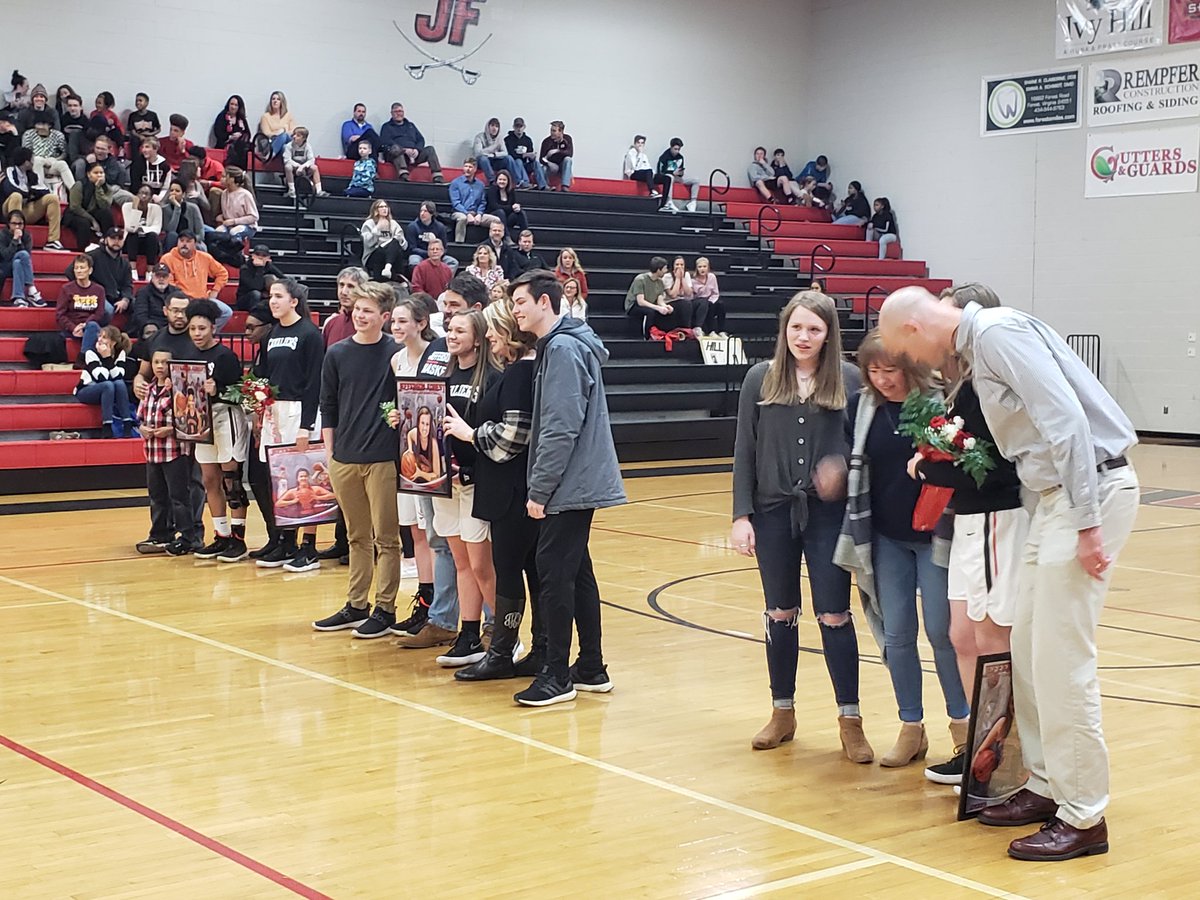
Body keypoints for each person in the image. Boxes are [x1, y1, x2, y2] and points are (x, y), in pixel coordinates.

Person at [878, 286, 1140, 862]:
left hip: (1086, 493)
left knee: (1062, 661)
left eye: (907, 351)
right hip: (1053, 500)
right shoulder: (983, 345)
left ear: (915, 329)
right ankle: (1045, 785)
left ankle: (1084, 815)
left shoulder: (997, 334)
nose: (916, 362)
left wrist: (1088, 522)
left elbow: (1066, 421)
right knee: (1028, 653)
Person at [731, 291, 870, 758]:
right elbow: (744, 450)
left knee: (834, 614)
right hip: (772, 513)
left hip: (828, 517)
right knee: (780, 612)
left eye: (814, 329)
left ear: (828, 334)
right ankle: (782, 712)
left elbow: (865, 448)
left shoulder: (849, 380)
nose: (803, 337)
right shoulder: (760, 378)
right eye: (796, 327)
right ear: (784, 330)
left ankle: (850, 719)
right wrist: (741, 515)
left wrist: (843, 473)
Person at [835, 329, 969, 767]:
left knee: (942, 632)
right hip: (885, 536)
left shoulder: (941, 403)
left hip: (936, 538)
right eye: (873, 371)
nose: (881, 379)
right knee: (896, 634)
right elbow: (853, 462)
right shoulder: (861, 407)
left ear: (910, 367)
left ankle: (963, 725)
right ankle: (911, 727)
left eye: (889, 370)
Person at [918, 284, 1026, 787]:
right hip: (967, 521)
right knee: (961, 635)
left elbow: (994, 468)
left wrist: (927, 469)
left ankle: (1006, 760)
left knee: (993, 638)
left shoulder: (990, 383)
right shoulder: (956, 385)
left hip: (996, 517)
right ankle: (978, 747)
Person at [509, 269, 625, 705]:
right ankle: (591, 667)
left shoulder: (561, 348)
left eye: (521, 302)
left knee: (554, 573)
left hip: (569, 483)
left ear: (545, 302)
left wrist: (539, 490)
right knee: (576, 571)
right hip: (576, 480)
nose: (515, 310)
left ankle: (556, 676)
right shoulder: (564, 344)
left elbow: (560, 428)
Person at [444, 300, 544, 679]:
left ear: (509, 332)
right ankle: (537, 649)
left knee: (510, 570)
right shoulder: (516, 371)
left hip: (511, 490)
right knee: (528, 571)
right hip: (509, 488)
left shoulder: (519, 374)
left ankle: (502, 651)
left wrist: (470, 434)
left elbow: (512, 439)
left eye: (493, 330)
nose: (488, 336)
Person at [310, 281, 406, 635]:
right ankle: (356, 604)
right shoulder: (337, 353)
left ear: (385, 316)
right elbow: (328, 404)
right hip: (344, 458)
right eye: (358, 309)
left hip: (382, 458)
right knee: (356, 536)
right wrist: (331, 453)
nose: (361, 315)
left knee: (387, 538)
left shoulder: (397, 353)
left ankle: (385, 609)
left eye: (369, 310)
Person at [427, 308, 501, 667]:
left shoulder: (493, 378)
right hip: (446, 482)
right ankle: (469, 634)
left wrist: (469, 466)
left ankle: (504, 634)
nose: (452, 336)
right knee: (461, 563)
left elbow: (493, 434)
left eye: (460, 331)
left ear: (478, 337)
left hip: (475, 481)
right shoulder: (443, 374)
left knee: (482, 565)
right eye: (449, 330)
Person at [255, 279, 326, 572]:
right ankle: (286, 541)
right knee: (278, 477)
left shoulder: (310, 334)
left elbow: (315, 382)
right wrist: (257, 402)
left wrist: (306, 425)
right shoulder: (270, 334)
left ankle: (309, 547)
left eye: (278, 296)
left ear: (294, 301)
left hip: (300, 410)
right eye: (271, 296)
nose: (273, 301)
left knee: (304, 474)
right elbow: (262, 376)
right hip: (275, 411)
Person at [384, 296, 445, 640]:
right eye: (393, 321)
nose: (396, 327)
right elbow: (395, 404)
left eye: (402, 321)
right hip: (406, 452)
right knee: (414, 531)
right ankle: (424, 602)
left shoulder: (437, 357)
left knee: (433, 532)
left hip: (431, 455)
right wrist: (392, 415)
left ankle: (439, 608)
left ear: (421, 324)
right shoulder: (396, 359)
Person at [185, 299, 252, 563]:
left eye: (201, 328)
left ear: (213, 328)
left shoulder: (225, 356)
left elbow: (241, 393)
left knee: (231, 480)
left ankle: (238, 539)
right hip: (202, 421)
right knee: (209, 480)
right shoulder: (189, 357)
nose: (197, 333)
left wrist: (219, 391)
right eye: (193, 328)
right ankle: (221, 535)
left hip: (227, 417)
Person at [136, 347, 201, 555]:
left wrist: (171, 430)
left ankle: (188, 536)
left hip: (174, 451)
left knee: (179, 496)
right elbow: (140, 418)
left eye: (165, 363)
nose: (160, 366)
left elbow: (189, 421)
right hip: (152, 451)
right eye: (156, 362)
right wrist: (143, 429)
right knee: (157, 496)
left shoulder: (179, 390)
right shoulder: (148, 390)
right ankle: (160, 534)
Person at [160, 232, 233, 331]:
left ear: (195, 244)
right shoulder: (167, 258)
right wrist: (184, 298)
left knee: (226, 312)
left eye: (188, 241)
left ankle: (208, 334)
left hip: (203, 299)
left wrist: (215, 290)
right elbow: (169, 283)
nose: (184, 244)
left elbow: (222, 273)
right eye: (181, 241)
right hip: (182, 300)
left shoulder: (205, 257)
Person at [74, 325, 136, 438]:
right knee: (108, 385)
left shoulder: (120, 353)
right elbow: (101, 377)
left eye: (104, 337)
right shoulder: (91, 352)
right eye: (100, 336)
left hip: (110, 390)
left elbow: (119, 375)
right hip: (87, 389)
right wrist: (106, 357)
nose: (99, 340)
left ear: (113, 342)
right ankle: (107, 426)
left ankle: (127, 423)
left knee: (119, 383)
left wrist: (107, 358)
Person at [2, 148, 64, 250]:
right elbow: (10, 188)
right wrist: (30, 194)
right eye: (31, 159)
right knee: (16, 196)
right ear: (26, 161)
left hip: (27, 209)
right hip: (10, 208)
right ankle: (15, 236)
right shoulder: (10, 171)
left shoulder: (32, 175)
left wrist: (31, 194)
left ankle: (53, 241)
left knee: (52, 198)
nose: (33, 162)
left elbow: (45, 190)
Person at [70, 227, 133, 324]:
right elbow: (70, 271)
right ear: (105, 240)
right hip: (96, 295)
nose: (116, 241)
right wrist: (85, 288)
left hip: (117, 296)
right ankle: (100, 331)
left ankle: (129, 331)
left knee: (137, 306)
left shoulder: (125, 263)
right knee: (107, 310)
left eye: (120, 238)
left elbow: (128, 285)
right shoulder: (92, 256)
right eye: (113, 238)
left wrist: (125, 300)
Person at [56, 254, 109, 358]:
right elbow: (60, 314)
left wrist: (85, 325)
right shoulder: (66, 289)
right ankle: (87, 359)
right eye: (76, 268)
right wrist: (73, 328)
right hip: (72, 328)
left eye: (82, 267)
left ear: (90, 270)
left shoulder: (99, 290)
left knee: (93, 326)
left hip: (91, 327)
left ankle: (82, 358)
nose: (79, 271)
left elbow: (99, 313)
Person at [378, 102, 443, 183]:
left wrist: (417, 149)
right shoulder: (386, 126)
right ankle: (403, 174)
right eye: (396, 111)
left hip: (413, 155)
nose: (398, 113)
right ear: (391, 113)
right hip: (397, 154)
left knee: (430, 149)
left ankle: (437, 176)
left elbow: (421, 139)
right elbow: (385, 141)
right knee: (396, 148)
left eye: (400, 111)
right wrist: (404, 150)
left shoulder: (411, 125)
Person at [64, 161, 116, 251]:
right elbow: (75, 207)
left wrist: (98, 188)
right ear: (88, 174)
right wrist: (92, 220)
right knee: (84, 223)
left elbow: (104, 205)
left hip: (94, 212)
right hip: (76, 214)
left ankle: (109, 243)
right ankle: (83, 251)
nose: (99, 175)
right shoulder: (79, 185)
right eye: (96, 173)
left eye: (101, 173)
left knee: (106, 213)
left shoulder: (107, 188)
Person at [449, 158, 501, 243]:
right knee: (462, 218)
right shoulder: (455, 183)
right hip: (460, 212)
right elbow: (456, 203)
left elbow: (482, 202)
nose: (467, 169)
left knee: (496, 220)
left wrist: (479, 214)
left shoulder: (480, 185)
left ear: (475, 169)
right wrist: (467, 214)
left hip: (476, 213)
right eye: (466, 166)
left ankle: (492, 243)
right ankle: (459, 243)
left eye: (470, 167)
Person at [20, 110, 75, 190]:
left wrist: (54, 160)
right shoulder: (28, 134)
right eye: (38, 124)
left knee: (62, 164)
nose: (40, 127)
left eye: (42, 124)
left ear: (49, 125)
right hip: (34, 164)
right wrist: (42, 161)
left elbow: (64, 153)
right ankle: (39, 187)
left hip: (52, 162)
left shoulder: (58, 135)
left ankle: (74, 190)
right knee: (38, 160)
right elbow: (26, 153)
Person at [130, 263, 186, 339]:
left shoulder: (176, 292)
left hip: (172, 327)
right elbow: (141, 316)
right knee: (150, 330)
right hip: (151, 329)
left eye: (164, 276)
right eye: (158, 276)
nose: (161, 279)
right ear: (152, 276)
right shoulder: (143, 292)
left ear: (169, 277)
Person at [0, 209, 43, 306]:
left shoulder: (26, 236)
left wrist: (20, 241)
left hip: (19, 266)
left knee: (18, 263)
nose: (17, 227)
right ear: (8, 224)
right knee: (23, 254)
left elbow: (27, 258)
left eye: (20, 224)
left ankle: (18, 297)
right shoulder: (2, 235)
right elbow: (6, 256)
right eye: (14, 223)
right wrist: (15, 240)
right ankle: (31, 288)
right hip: (4, 266)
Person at [322, 266, 369, 350]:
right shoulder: (331, 323)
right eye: (341, 285)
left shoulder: (369, 323)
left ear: (362, 289)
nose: (344, 292)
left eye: (350, 286)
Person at [472, 117, 528, 187]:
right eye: (492, 126)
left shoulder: (500, 138)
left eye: (496, 126)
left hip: (495, 160)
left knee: (509, 158)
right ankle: (492, 181)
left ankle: (518, 182)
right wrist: (493, 148)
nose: (494, 128)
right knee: (483, 159)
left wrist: (494, 155)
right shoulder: (479, 137)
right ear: (488, 127)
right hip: (482, 162)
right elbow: (478, 153)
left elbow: (505, 153)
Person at [75, 134, 132, 203]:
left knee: (130, 197)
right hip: (89, 190)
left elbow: (110, 179)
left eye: (102, 149)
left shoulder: (112, 162)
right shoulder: (87, 159)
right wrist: (90, 163)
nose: (99, 151)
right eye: (97, 148)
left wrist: (94, 166)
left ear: (109, 150)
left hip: (107, 189)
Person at [360, 199, 407, 282]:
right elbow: (368, 244)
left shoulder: (393, 224)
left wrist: (400, 240)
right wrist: (377, 228)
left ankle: (388, 268)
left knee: (395, 244)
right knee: (389, 249)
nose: (384, 209)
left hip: (390, 254)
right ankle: (398, 278)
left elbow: (404, 246)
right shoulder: (369, 223)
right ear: (375, 210)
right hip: (373, 254)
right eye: (381, 207)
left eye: (386, 206)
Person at [624, 256, 671, 337]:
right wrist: (657, 308)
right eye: (664, 269)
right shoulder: (640, 279)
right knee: (650, 312)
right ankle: (646, 335)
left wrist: (665, 306)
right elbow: (640, 301)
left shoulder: (660, 282)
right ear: (658, 270)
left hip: (650, 303)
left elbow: (659, 300)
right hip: (634, 305)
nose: (666, 271)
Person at [406, 201, 458, 271]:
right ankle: (419, 278)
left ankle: (444, 278)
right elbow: (412, 248)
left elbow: (444, 248)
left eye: (425, 211)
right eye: (421, 211)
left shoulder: (440, 227)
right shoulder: (412, 227)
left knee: (453, 262)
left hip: (436, 254)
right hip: (420, 255)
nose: (422, 213)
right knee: (414, 261)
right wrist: (428, 253)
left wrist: (436, 254)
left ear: (432, 213)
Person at [212, 167, 259, 242]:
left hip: (247, 226)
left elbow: (254, 217)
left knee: (234, 232)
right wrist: (221, 217)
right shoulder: (224, 193)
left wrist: (234, 221)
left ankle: (238, 248)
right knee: (218, 233)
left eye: (224, 177)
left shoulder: (245, 195)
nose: (221, 179)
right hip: (229, 225)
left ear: (232, 179)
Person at [661, 255, 705, 331]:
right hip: (671, 302)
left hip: (685, 301)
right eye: (677, 265)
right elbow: (673, 295)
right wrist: (678, 279)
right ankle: (686, 329)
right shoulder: (667, 277)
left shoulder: (686, 275)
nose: (680, 267)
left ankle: (697, 328)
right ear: (673, 266)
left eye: (682, 265)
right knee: (685, 304)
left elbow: (689, 293)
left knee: (703, 302)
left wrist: (683, 278)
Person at [656, 138, 699, 213]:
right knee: (670, 177)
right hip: (668, 177)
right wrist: (672, 173)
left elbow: (680, 169)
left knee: (696, 180)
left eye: (679, 149)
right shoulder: (664, 157)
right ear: (671, 147)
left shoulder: (680, 157)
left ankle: (693, 202)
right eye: (675, 149)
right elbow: (660, 172)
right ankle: (669, 201)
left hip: (677, 177)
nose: (677, 151)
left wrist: (680, 173)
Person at [237, 244, 285, 312]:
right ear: (253, 256)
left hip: (262, 297)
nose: (260, 257)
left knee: (271, 279)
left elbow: (283, 278)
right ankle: (255, 314)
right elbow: (256, 287)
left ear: (268, 258)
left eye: (264, 255)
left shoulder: (268, 266)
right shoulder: (245, 268)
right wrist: (260, 268)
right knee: (256, 294)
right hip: (246, 299)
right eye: (257, 254)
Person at [282, 127, 327, 198]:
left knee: (314, 167)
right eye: (294, 134)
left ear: (304, 138)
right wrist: (297, 166)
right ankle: (291, 190)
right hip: (294, 168)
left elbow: (311, 160)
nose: (294, 137)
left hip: (304, 168)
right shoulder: (289, 146)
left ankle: (319, 191)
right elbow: (287, 159)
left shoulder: (308, 147)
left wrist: (303, 166)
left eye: (298, 135)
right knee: (288, 167)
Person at [160, 181, 205, 252]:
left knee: (198, 247)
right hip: (173, 241)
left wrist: (188, 240)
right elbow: (170, 230)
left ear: (183, 194)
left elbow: (201, 233)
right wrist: (177, 208)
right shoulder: (165, 209)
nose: (174, 193)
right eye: (171, 190)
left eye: (177, 191)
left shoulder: (193, 208)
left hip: (191, 240)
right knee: (172, 235)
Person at [504, 117, 547, 190]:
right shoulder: (508, 139)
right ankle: (525, 183)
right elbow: (510, 155)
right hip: (515, 166)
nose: (519, 129)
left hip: (525, 165)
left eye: (520, 126)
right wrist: (523, 155)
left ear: (524, 127)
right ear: (513, 127)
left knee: (536, 163)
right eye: (517, 126)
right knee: (518, 161)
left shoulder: (528, 140)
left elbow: (530, 157)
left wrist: (532, 157)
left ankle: (543, 185)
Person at [485, 169, 528, 237]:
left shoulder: (511, 191)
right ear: (496, 180)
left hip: (507, 217)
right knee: (500, 212)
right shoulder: (492, 190)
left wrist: (516, 207)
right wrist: (511, 207)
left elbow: (513, 204)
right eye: (500, 179)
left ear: (508, 181)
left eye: (504, 180)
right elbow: (494, 206)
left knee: (520, 212)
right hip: (494, 215)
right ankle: (506, 236)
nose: (502, 181)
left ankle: (525, 236)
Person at [211, 95, 251, 168]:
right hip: (225, 144)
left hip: (239, 145)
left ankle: (241, 171)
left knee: (243, 147)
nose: (233, 107)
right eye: (231, 104)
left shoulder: (241, 119)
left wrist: (240, 136)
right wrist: (230, 137)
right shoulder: (222, 116)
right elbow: (218, 133)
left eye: (236, 105)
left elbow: (248, 134)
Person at [129, 137, 172, 203]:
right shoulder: (137, 163)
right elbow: (135, 186)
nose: (144, 150)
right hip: (140, 197)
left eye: (147, 147)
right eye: (143, 147)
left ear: (156, 148)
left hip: (158, 198)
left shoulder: (165, 166)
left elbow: (166, 187)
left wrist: (160, 197)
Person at [258, 91, 296, 159]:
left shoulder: (288, 115)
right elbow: (267, 134)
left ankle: (271, 155)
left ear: (282, 102)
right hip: (271, 142)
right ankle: (271, 154)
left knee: (285, 140)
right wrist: (279, 133)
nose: (275, 101)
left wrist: (283, 131)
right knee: (284, 143)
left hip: (287, 142)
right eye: (273, 99)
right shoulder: (265, 116)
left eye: (278, 99)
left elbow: (293, 132)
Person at [539, 121, 574, 192]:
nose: (551, 132)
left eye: (554, 131)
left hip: (562, 166)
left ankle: (565, 186)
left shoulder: (567, 139)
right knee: (543, 168)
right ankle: (546, 187)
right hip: (551, 167)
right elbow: (541, 159)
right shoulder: (546, 141)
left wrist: (557, 151)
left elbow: (570, 153)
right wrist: (549, 163)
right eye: (551, 130)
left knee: (568, 159)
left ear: (561, 131)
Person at [692, 256, 723, 335]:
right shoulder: (693, 280)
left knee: (720, 304)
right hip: (698, 302)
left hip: (710, 299)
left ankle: (721, 331)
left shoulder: (712, 277)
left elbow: (715, 293)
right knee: (705, 304)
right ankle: (709, 330)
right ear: (696, 268)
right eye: (700, 267)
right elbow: (692, 296)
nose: (702, 269)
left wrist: (711, 301)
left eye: (704, 266)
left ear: (708, 268)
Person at [126, 93, 161, 157]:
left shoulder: (153, 115)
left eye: (140, 100)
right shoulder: (132, 115)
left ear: (146, 103)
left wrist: (150, 134)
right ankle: (136, 161)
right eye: (136, 101)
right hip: (137, 137)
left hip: (150, 136)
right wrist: (140, 136)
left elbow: (158, 129)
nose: (138, 103)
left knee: (155, 142)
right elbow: (132, 131)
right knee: (134, 141)